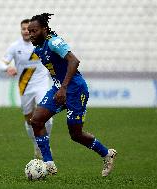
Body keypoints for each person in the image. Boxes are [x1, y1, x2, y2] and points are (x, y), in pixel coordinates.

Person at [28, 13, 117, 177]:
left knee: (75, 134)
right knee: (36, 121)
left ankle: (107, 154)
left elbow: (74, 61)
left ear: (44, 29)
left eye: (34, 31)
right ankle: (49, 164)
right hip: (58, 89)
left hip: (75, 89)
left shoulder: (54, 42)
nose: (31, 34)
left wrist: (64, 88)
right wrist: (59, 88)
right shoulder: (38, 49)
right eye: (29, 31)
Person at [1, 19, 53, 159]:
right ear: (21, 30)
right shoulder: (15, 46)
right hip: (24, 87)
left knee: (46, 116)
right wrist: (8, 67)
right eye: (23, 28)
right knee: (29, 120)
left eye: (28, 29)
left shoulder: (43, 43)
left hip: (41, 85)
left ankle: (44, 146)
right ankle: (36, 145)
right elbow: (2, 63)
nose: (26, 31)